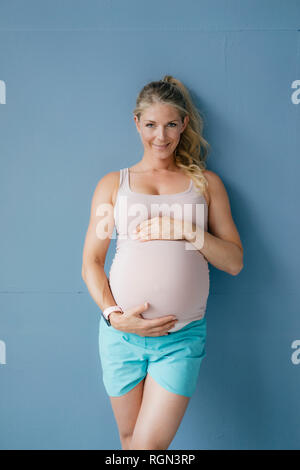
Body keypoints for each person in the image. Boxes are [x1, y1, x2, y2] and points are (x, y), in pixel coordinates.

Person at [81, 75, 244, 450]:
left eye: (171, 124)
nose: (161, 136)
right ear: (136, 123)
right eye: (151, 125)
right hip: (121, 336)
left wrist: (185, 230)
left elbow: (234, 261)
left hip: (181, 339)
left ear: (184, 124)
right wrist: (112, 315)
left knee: (147, 449)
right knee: (128, 440)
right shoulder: (113, 184)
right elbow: (91, 261)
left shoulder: (205, 184)